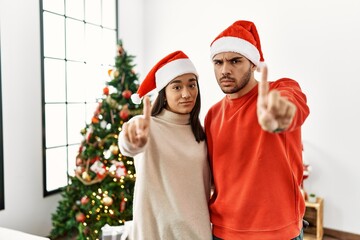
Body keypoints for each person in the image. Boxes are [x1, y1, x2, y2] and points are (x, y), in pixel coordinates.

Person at [204, 20, 310, 239]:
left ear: (253, 64)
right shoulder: (212, 115)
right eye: (218, 62)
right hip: (224, 231)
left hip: (279, 231)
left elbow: (293, 105)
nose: (225, 70)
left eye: (235, 61)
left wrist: (281, 111)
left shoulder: (281, 90)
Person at [118, 50, 212, 240]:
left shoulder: (201, 132)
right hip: (155, 233)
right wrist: (132, 141)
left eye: (192, 85)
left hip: (197, 234)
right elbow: (128, 145)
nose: (186, 93)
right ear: (164, 93)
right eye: (177, 87)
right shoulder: (146, 126)